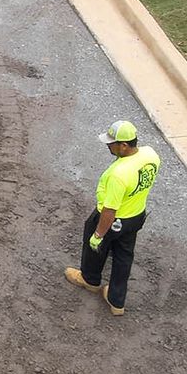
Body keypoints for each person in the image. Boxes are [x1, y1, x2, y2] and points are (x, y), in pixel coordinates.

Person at [65, 120, 160, 316]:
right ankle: (117, 301)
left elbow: (109, 210)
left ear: (124, 145)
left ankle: (90, 280)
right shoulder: (151, 155)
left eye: (112, 143)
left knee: (95, 248)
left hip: (114, 219)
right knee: (124, 257)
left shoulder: (119, 174)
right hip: (136, 216)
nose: (108, 146)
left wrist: (98, 234)